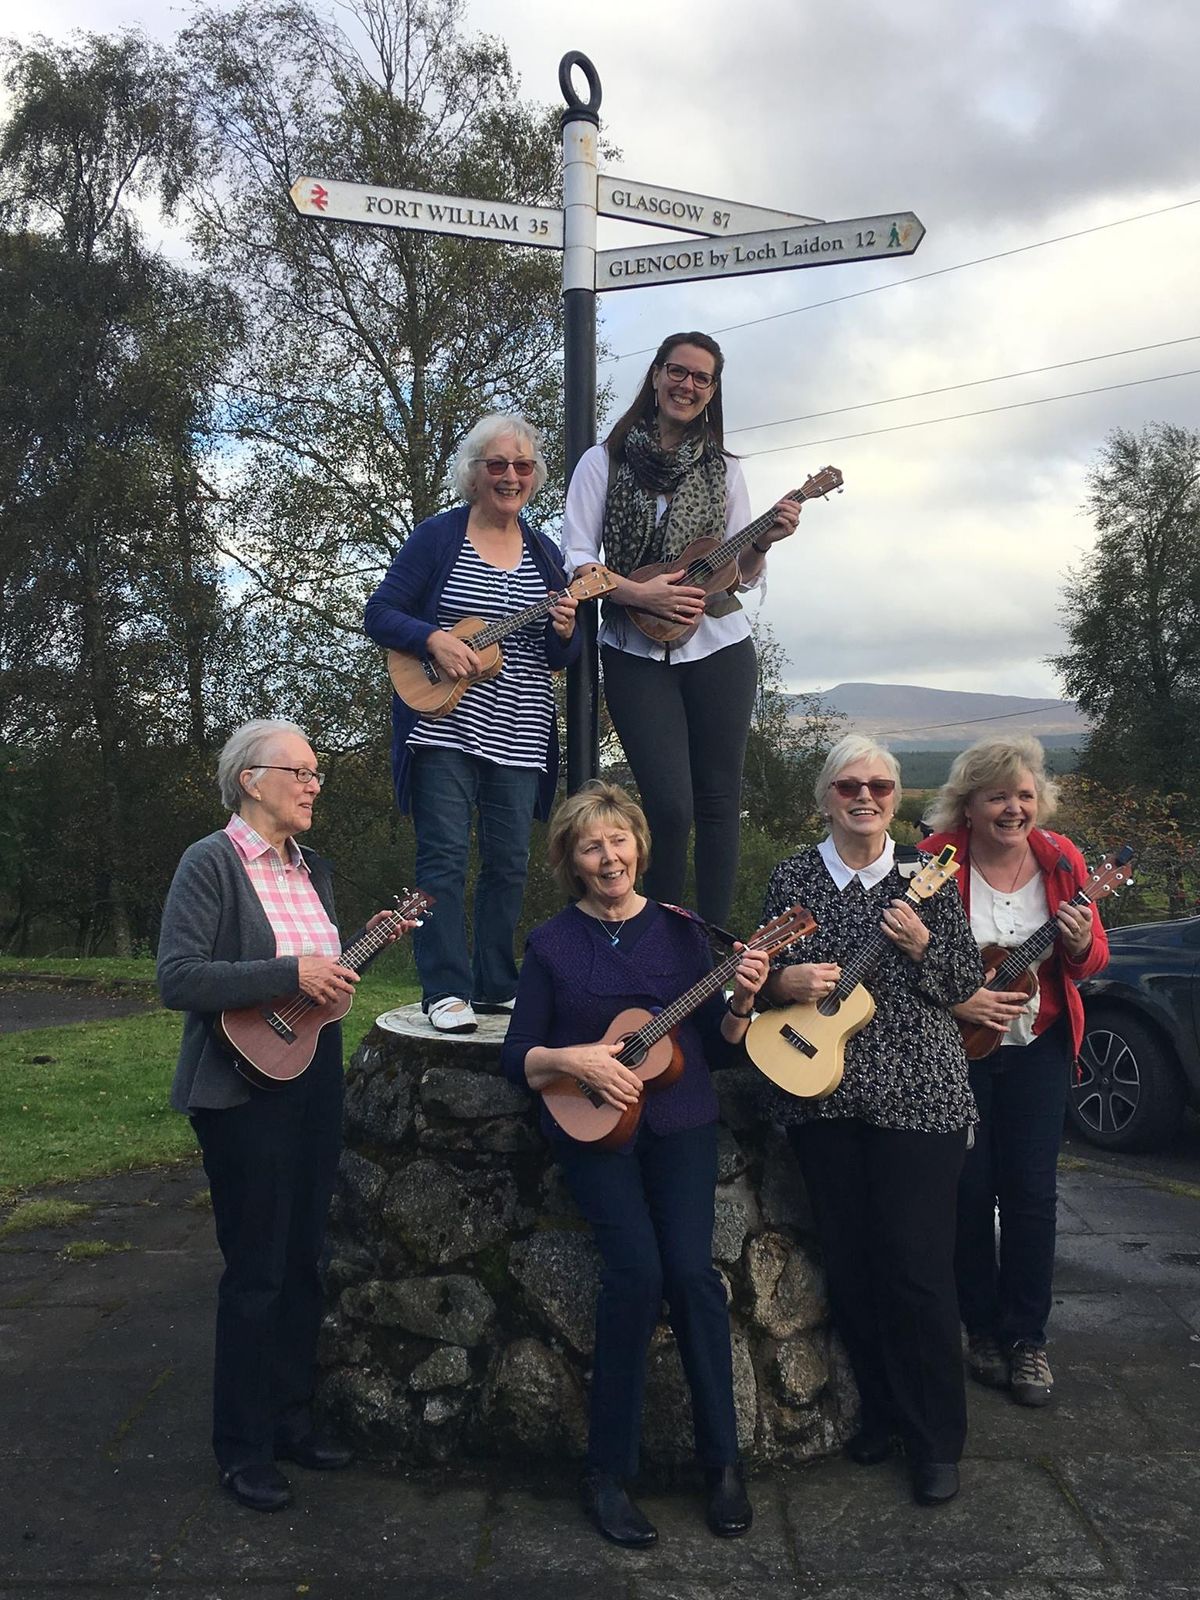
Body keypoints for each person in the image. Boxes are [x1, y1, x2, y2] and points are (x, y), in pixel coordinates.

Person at [500, 781, 769, 1547]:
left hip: (681, 1125)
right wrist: (577, 1060)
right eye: (592, 845)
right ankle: (607, 1472)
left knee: (691, 1274)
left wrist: (743, 1000)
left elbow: (716, 1047)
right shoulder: (551, 944)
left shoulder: (685, 933)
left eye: (619, 840)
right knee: (635, 1275)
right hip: (590, 1132)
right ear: (572, 860)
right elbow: (518, 1057)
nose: (609, 856)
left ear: (639, 847)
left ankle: (723, 1464)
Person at [157, 719, 410, 1512]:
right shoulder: (212, 862)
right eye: (298, 772)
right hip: (239, 1088)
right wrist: (289, 970)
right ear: (250, 780)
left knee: (306, 1255)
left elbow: (315, 984)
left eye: (315, 773)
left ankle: (293, 1417)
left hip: (312, 1071)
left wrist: (334, 979)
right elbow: (180, 977)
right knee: (257, 1268)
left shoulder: (314, 870)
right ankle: (242, 1446)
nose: (312, 784)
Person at [758, 734, 983, 1506]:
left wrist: (923, 945)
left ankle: (935, 1442)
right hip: (823, 1095)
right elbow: (754, 980)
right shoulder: (792, 877)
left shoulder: (931, 879)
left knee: (917, 1270)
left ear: (897, 798)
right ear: (825, 796)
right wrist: (782, 978)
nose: (866, 798)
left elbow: (963, 987)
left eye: (882, 787)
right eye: (850, 785)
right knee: (852, 1266)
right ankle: (882, 1414)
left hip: (920, 1097)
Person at [561, 331, 801, 928]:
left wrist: (764, 543)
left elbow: (738, 573)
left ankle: (715, 946)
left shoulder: (725, 469)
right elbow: (578, 556)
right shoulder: (604, 461)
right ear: (656, 375)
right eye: (678, 371)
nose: (687, 385)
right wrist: (639, 592)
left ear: (713, 390)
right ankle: (658, 935)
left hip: (720, 648)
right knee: (669, 808)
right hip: (633, 650)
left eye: (701, 378)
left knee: (720, 804)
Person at [364, 413, 580, 1033]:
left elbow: (557, 658)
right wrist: (433, 638)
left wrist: (565, 632)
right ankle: (445, 990)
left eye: (522, 466)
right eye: (498, 465)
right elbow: (381, 613)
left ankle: (493, 985)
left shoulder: (546, 555)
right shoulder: (437, 538)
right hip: (442, 727)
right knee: (443, 860)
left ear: (534, 477)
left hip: (521, 730)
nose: (510, 476)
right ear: (475, 473)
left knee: (510, 863)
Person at [922, 735, 1109, 1408]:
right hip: (955, 1049)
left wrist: (1084, 945)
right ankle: (981, 1329)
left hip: (1039, 1046)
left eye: (1024, 796)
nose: (1013, 808)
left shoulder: (1062, 860)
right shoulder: (934, 862)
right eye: (998, 795)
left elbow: (1088, 960)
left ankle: (1028, 1337)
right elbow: (906, 961)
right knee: (968, 1192)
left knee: (1030, 1194)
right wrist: (958, 995)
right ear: (967, 805)